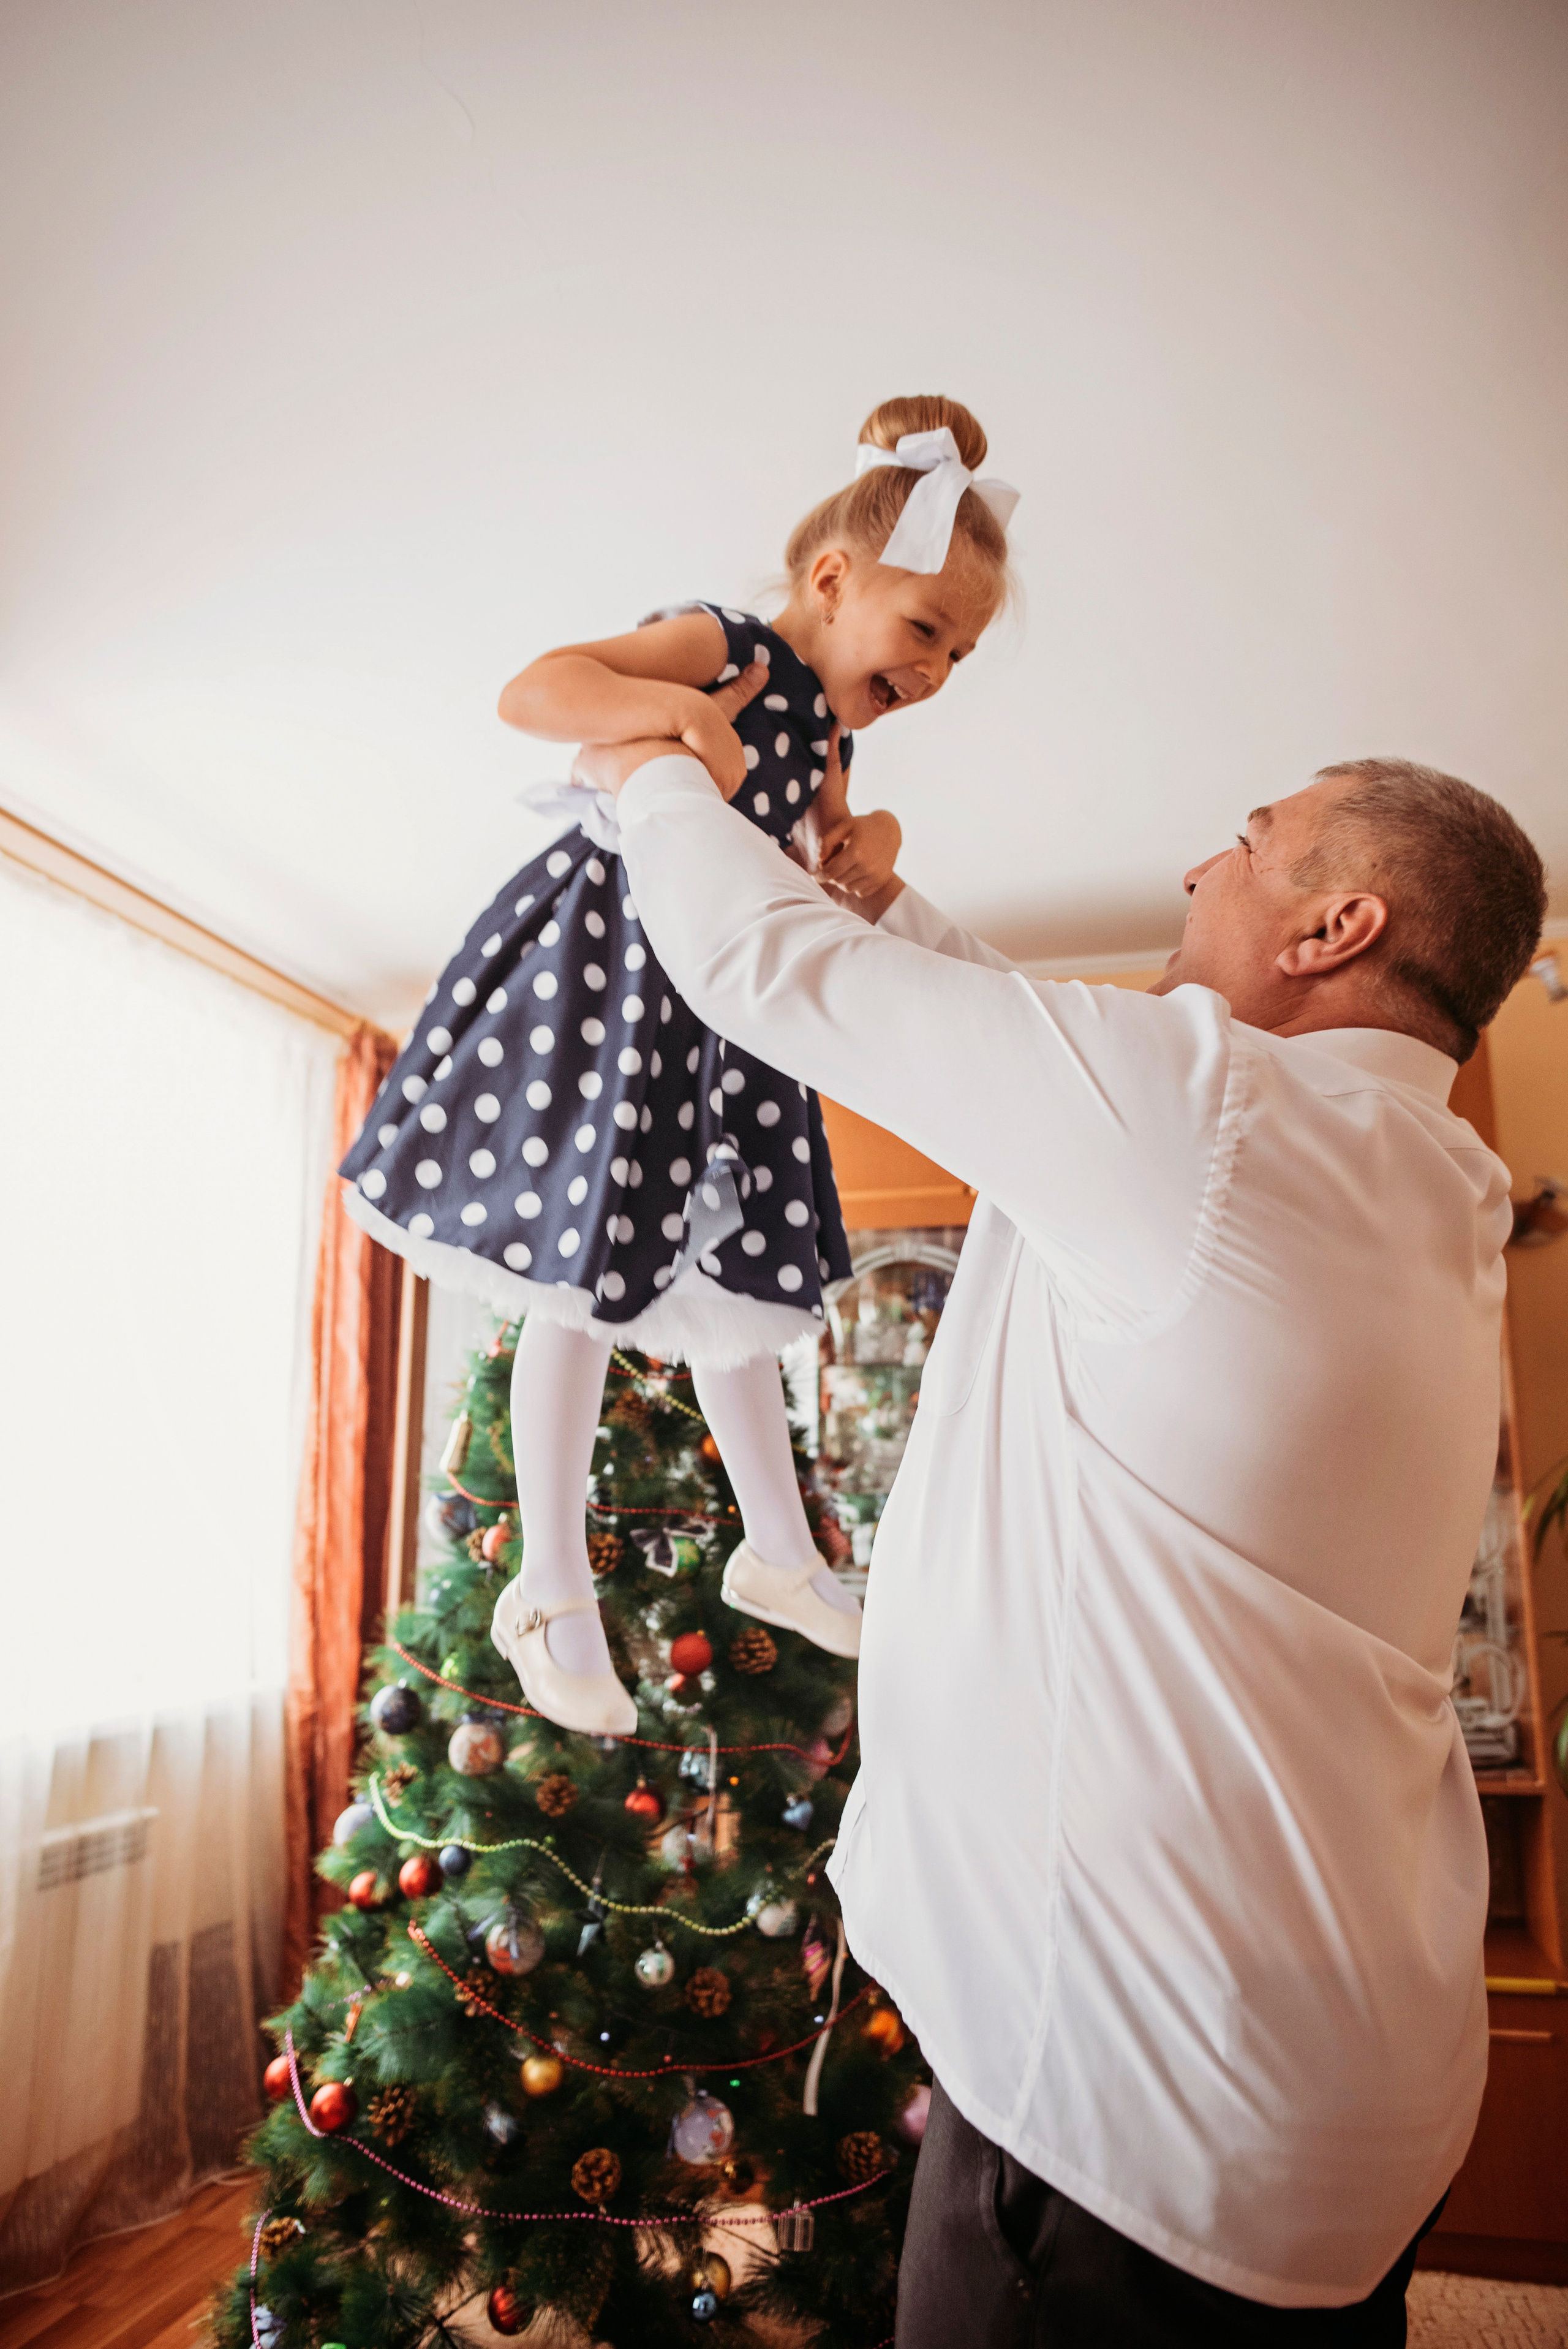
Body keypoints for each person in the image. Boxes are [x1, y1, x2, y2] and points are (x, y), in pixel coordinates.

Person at [575, 660, 1547, 2338]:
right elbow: (1059, 1080)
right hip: (1352, 2097)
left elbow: (760, 962)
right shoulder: (1431, 1182)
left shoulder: (1212, 1121)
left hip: (1135, 2139)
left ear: (1336, 927)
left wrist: (653, 769)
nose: (1199, 867)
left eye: (1250, 841)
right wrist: (901, 908)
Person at [337, 395, 1018, 1736]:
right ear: (831, 580)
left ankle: (782, 1550)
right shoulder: (733, 646)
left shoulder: (828, 731)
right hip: (612, 979)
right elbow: (535, 691)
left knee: (739, 1288)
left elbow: (833, 832)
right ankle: (546, 1582)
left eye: (964, 652)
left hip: (716, 1020)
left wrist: (863, 835)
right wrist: (677, 714)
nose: (939, 667)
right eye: (925, 629)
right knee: (578, 1285)